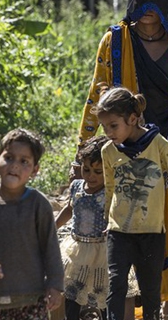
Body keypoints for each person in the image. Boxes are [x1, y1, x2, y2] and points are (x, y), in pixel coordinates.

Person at [77, 0, 168, 319]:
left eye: (155, 9)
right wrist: (82, 147)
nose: (148, 15)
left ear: (167, 9)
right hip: (126, 147)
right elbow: (97, 94)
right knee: (127, 227)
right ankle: (134, 306)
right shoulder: (114, 42)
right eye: (142, 8)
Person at [94, 87, 168, 320]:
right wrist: (107, 218)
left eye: (113, 126)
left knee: (150, 291)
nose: (108, 132)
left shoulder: (156, 144)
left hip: (152, 232)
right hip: (119, 232)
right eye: (104, 127)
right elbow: (110, 188)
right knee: (116, 286)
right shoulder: (108, 151)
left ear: (132, 119)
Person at [0, 128, 63, 320]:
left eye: (24, 161)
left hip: (34, 297)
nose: (15, 166)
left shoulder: (38, 204)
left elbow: (51, 248)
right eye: (9, 158)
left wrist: (55, 285)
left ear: (35, 170)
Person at [56, 136, 111, 320]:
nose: (91, 176)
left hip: (101, 250)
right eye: (86, 170)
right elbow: (70, 208)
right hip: (77, 249)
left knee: (102, 293)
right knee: (72, 292)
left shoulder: (111, 192)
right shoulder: (76, 186)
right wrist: (53, 226)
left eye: (98, 171)